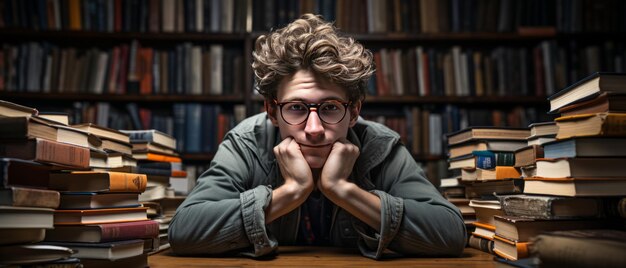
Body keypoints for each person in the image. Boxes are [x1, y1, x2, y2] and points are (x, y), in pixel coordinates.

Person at [169, 14, 466, 259]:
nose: (314, 129)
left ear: (353, 112)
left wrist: (342, 189)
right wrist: (292, 192)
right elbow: (184, 231)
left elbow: (451, 233)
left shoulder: (380, 144)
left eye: (330, 107)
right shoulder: (247, 141)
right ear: (272, 111)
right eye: (296, 108)